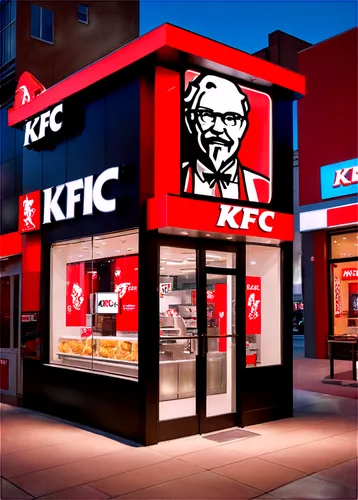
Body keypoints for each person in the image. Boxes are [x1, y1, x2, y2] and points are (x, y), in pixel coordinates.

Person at [182, 73, 270, 202]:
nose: (218, 128)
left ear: (242, 127)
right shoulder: (172, 179)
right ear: (190, 121)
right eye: (207, 115)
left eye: (230, 118)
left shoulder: (262, 188)